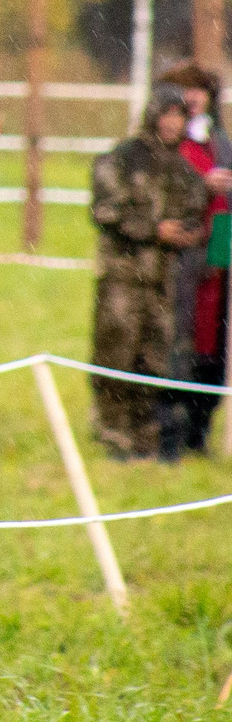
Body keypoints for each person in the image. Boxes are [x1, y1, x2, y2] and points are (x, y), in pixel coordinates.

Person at [88, 88, 210, 460]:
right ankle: (113, 432)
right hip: (123, 277)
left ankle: (146, 434)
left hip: (164, 280)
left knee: (155, 356)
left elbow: (195, 209)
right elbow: (105, 210)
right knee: (116, 352)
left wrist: (188, 233)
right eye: (167, 113)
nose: (173, 122)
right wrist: (152, 228)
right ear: (153, 115)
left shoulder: (184, 171)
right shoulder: (122, 160)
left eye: (179, 115)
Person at [157, 61, 232, 457]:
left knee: (211, 345)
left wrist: (220, 257)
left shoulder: (219, 141)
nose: (194, 95)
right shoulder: (166, 142)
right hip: (179, 254)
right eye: (186, 88)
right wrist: (199, 186)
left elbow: (225, 208)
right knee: (175, 342)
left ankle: (199, 429)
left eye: (201, 88)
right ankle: (167, 429)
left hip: (214, 257)